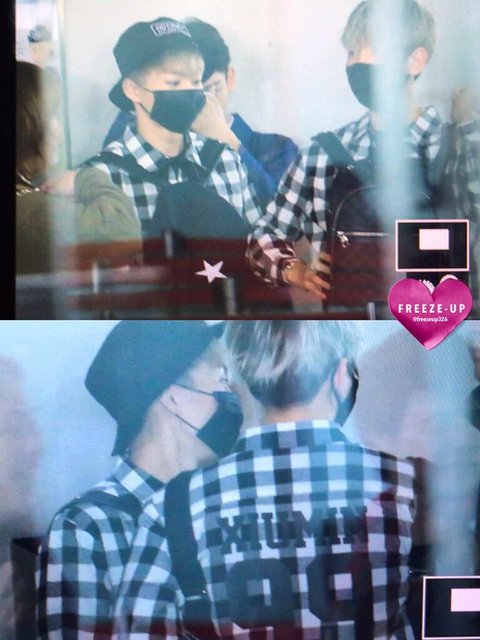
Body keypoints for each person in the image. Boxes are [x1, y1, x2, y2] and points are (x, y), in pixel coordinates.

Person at [114, 320, 420, 638]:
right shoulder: (406, 483)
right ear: (342, 376)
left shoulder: (175, 505)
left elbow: (138, 632)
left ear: (236, 380)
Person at [247, 0, 480, 303]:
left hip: (443, 325)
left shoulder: (458, 145)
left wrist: (471, 128)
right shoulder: (323, 154)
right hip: (351, 327)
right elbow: (264, 237)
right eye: (352, 52)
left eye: (374, 49)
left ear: (415, 61)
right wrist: (296, 271)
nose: (357, 62)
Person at [37, 320, 243, 638]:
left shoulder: (225, 502)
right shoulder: (86, 527)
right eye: (222, 380)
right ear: (174, 397)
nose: (233, 396)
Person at [84, 17, 261, 234]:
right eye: (174, 82)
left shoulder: (226, 161)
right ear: (133, 90)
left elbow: (260, 240)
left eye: (196, 81)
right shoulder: (103, 177)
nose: (190, 91)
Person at [104, 18, 298, 210]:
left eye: (208, 88)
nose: (194, 98)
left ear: (229, 78)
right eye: (174, 84)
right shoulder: (125, 147)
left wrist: (229, 140)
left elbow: (287, 216)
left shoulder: (276, 147)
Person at [16, 61, 142, 279]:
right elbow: (121, 233)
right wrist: (84, 179)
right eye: (51, 116)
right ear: (26, 124)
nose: (58, 129)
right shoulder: (27, 211)